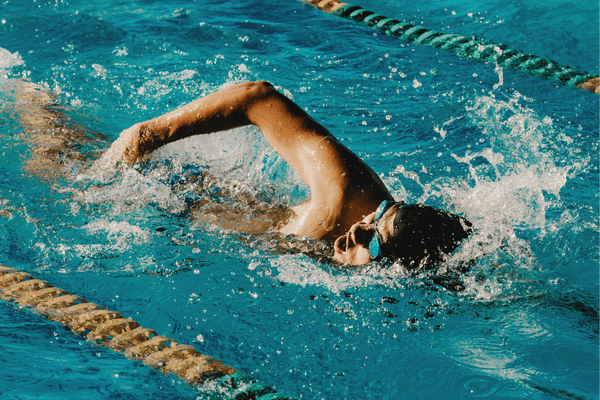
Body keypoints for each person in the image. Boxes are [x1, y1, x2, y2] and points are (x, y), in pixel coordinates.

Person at [98, 81, 472, 267]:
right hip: (169, 197)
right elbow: (257, 96)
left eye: (374, 241)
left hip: (190, 234)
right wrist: (150, 134)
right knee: (62, 157)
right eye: (379, 215)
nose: (359, 228)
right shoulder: (345, 195)